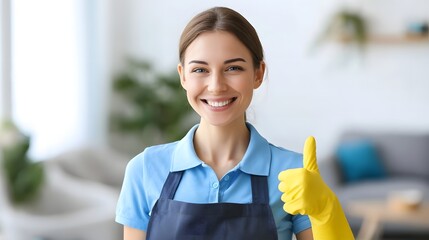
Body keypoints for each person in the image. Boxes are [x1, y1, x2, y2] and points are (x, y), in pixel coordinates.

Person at [115, 6, 354, 240]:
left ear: (258, 74)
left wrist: (326, 209)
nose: (216, 85)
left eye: (233, 68)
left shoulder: (292, 172)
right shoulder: (145, 169)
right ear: (183, 76)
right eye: (200, 69)